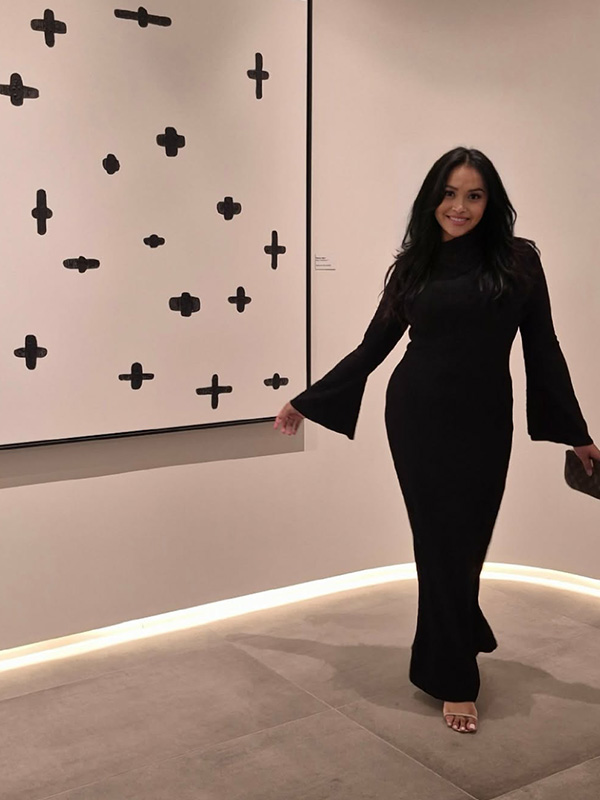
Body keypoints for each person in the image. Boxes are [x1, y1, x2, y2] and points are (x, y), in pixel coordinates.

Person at [273, 147, 599, 734]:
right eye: (449, 194)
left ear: (491, 202)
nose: (460, 206)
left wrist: (576, 435)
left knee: (468, 541)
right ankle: (454, 678)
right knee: (439, 542)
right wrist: (308, 400)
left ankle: (460, 628)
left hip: (486, 420)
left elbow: (543, 347)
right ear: (432, 199)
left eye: (474, 195)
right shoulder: (414, 266)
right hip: (417, 416)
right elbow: (374, 345)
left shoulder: (518, 262)